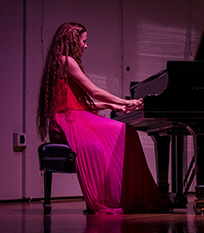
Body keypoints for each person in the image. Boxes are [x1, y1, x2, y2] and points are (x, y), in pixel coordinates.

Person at [37, 22, 170, 214]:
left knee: (125, 132)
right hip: (69, 122)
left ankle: (121, 195)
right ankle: (126, 197)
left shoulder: (59, 61)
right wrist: (125, 102)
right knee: (127, 132)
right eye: (84, 41)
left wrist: (113, 105)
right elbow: (94, 91)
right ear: (73, 40)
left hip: (68, 119)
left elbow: (80, 105)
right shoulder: (67, 61)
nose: (86, 46)